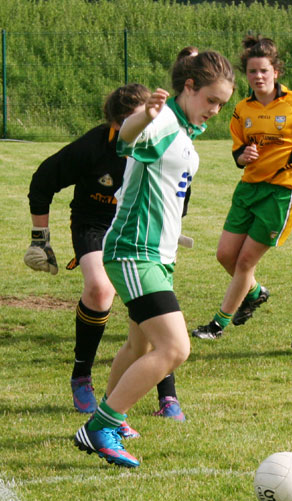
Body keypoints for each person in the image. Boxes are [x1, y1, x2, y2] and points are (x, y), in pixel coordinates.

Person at [73, 48, 235, 468]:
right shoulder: (162, 121)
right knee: (176, 347)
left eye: (222, 104)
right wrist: (144, 114)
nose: (216, 110)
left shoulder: (182, 131)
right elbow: (126, 136)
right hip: (133, 251)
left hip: (156, 255)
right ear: (189, 88)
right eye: (211, 100)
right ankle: (102, 426)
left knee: (139, 343)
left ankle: (110, 415)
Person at [24, 83, 186, 424]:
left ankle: (166, 394)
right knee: (99, 290)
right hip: (96, 225)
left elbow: (179, 193)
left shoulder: (165, 143)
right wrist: (40, 238)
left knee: (151, 312)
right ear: (116, 125)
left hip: (139, 231)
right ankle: (82, 375)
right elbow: (42, 181)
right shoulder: (93, 147)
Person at [192, 35, 292, 340]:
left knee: (246, 261)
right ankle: (256, 292)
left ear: (276, 72)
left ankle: (217, 325)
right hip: (248, 189)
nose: (258, 77)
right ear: (245, 75)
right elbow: (238, 151)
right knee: (226, 255)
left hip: (282, 193)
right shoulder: (241, 110)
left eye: (264, 71)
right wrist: (242, 155)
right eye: (252, 72)